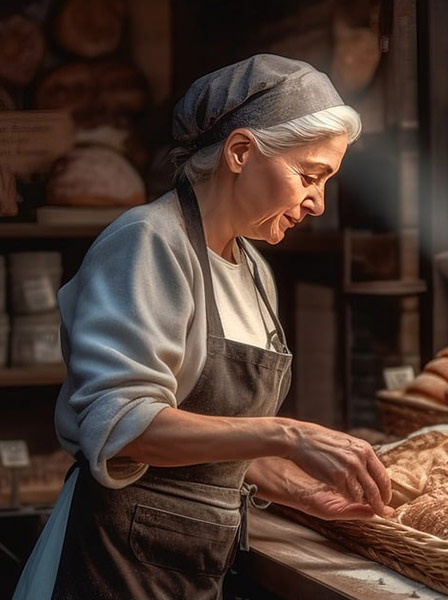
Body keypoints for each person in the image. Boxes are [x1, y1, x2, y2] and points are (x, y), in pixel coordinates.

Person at [14, 54, 391, 600]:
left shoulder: (255, 269)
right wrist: (289, 434)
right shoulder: (147, 242)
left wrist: (299, 493)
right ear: (240, 152)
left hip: (189, 567)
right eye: (309, 176)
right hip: (110, 566)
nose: (317, 202)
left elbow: (212, 438)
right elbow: (122, 427)